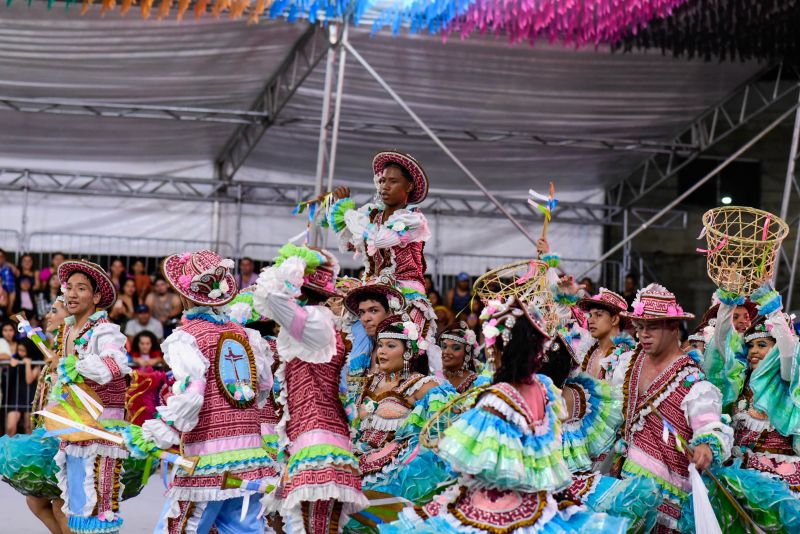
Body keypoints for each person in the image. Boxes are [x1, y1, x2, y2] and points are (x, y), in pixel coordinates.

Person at [382, 298, 629, 533]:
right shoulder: (543, 388)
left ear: (498, 349)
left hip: (498, 503)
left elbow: (470, 461)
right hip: (537, 497)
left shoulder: (498, 396)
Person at [136, 249, 275, 534]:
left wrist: (159, 433)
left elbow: (191, 395)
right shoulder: (247, 335)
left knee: (179, 528)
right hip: (249, 453)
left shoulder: (187, 338)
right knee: (246, 530)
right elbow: (262, 390)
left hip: (207, 461)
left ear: (184, 295)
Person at [254, 244, 367, 533]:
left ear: (300, 292)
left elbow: (271, 295)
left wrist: (296, 262)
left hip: (318, 442)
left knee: (312, 527)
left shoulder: (315, 325)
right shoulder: (319, 324)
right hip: (314, 439)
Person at [609, 283, 733, 533]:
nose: (644, 334)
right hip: (624, 490)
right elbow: (612, 414)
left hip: (666, 503)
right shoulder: (628, 363)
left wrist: (706, 447)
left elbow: (711, 427)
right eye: (640, 327)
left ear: (674, 328)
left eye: (652, 327)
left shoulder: (693, 381)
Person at [330, 150, 439, 375]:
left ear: (408, 187)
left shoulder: (413, 219)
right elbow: (350, 242)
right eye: (382, 180)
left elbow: (379, 238)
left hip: (406, 296)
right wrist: (339, 209)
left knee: (409, 353)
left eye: (393, 181)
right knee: (356, 347)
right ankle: (358, 392)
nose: (384, 186)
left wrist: (349, 214)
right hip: (372, 294)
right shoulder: (371, 215)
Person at [53, 259, 132, 534]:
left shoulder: (104, 330)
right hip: (75, 432)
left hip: (102, 436)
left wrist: (79, 365)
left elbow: (116, 364)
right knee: (76, 512)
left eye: (81, 288)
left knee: (99, 515)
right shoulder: (69, 330)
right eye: (69, 288)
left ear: (96, 297)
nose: (72, 294)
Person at [352, 315, 455, 509]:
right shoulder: (370, 382)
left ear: (408, 353)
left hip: (394, 470)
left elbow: (447, 421)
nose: (382, 351)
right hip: (357, 461)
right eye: (380, 345)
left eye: (390, 346)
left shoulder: (421, 385)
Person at [0, 297, 70, 534]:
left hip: (70, 437)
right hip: (52, 433)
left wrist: (65, 366)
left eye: (53, 311)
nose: (48, 316)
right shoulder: (58, 348)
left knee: (61, 507)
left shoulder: (77, 346)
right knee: (36, 501)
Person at [342, 282, 405, 425]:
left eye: (374, 310)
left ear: (390, 313)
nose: (366, 318)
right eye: (362, 312)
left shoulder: (403, 349)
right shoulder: (361, 350)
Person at [573, 288, 635, 380]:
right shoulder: (587, 350)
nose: (590, 320)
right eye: (590, 315)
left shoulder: (627, 358)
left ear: (614, 320)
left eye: (598, 315)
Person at [438, 322, 488, 393]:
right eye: (444, 346)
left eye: (455, 348)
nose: (446, 352)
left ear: (467, 354)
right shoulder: (433, 377)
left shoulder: (476, 383)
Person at [5, 338, 36, 436]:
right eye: (19, 350)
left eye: (23, 350)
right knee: (10, 427)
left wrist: (27, 364)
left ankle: (28, 450)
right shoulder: (15, 359)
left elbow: (29, 380)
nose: (20, 352)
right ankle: (8, 450)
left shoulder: (36, 362)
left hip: (30, 397)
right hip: (16, 396)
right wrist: (13, 366)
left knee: (28, 427)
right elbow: (8, 379)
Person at [0, 248, 16, 317]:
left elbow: (17, 273)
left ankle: (9, 310)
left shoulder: (7, 267)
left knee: (12, 289)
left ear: (4, 258)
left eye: (1, 256)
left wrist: (9, 264)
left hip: (7, 289)